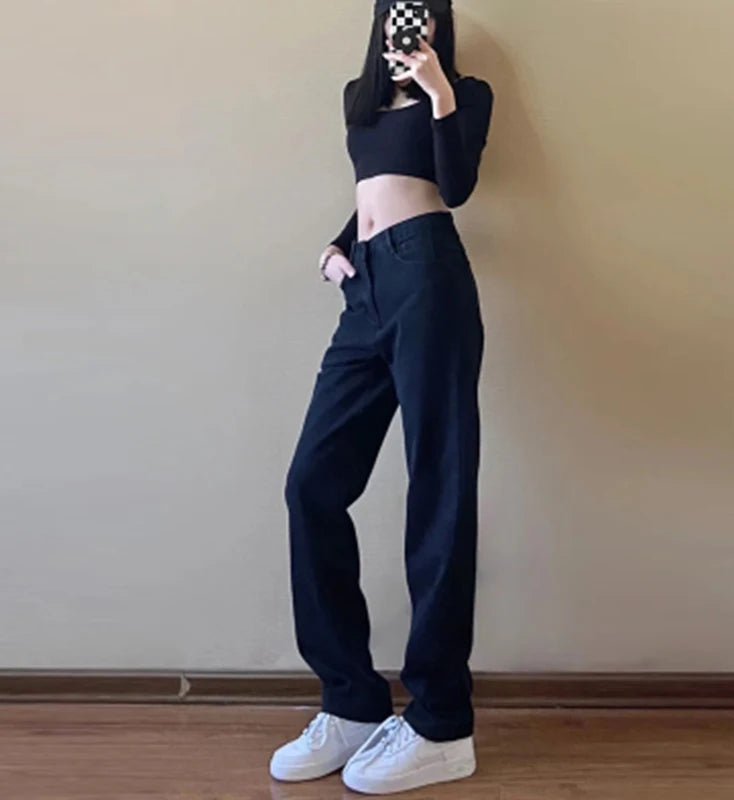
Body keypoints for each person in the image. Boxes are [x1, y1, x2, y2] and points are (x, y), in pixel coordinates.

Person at [270, 0, 493, 793]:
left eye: (426, 9)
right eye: (402, 8)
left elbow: (454, 185)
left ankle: (442, 723)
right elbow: (373, 183)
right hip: (364, 287)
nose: (414, 19)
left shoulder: (466, 90)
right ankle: (352, 702)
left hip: (429, 273)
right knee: (311, 486)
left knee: (438, 487)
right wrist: (339, 245)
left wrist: (439, 91)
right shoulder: (356, 98)